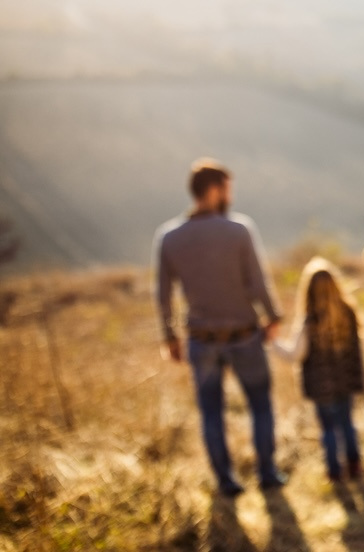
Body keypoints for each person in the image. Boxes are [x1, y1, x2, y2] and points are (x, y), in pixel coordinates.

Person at [153, 158, 286, 497]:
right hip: (243, 334)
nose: (230, 196)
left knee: (211, 412)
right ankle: (267, 473)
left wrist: (169, 336)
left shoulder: (169, 237)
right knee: (260, 405)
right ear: (214, 190)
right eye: (227, 189)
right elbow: (257, 282)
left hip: (200, 339)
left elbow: (164, 294)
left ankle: (226, 481)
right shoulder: (238, 230)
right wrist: (274, 316)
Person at [273, 257, 364, 483]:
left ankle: (334, 472)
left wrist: (271, 342)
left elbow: (294, 354)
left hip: (321, 387)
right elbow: (357, 350)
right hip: (346, 381)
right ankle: (354, 465)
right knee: (347, 423)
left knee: (328, 429)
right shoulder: (349, 314)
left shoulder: (309, 321)